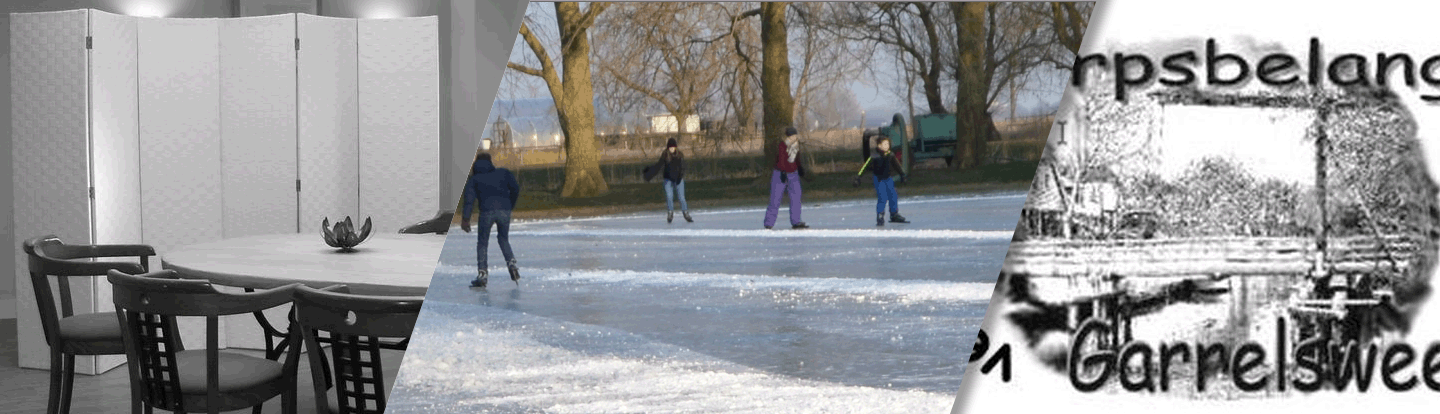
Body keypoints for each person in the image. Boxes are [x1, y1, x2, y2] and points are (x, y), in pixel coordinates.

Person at [460, 152, 521, 288]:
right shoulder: (503, 173)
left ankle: (483, 275)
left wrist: (465, 219)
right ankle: (512, 264)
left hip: (486, 212)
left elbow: (469, 201)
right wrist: (510, 205)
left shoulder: (474, 179)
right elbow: (515, 188)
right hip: (505, 211)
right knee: (503, 239)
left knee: (482, 243)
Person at [854, 136, 910, 226]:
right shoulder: (874, 156)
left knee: (893, 195)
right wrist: (858, 177)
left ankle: (894, 214)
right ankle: (880, 216)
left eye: (888, 144)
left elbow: (897, 166)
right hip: (879, 179)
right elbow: (864, 167)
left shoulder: (890, 154)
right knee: (882, 197)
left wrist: (902, 175)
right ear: (879, 145)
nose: (887, 146)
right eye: (885, 144)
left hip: (888, 178)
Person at [764, 126, 808, 229]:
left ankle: (796, 221)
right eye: (792, 136)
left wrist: (800, 167)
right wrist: (783, 171)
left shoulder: (796, 145)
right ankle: (769, 223)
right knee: (775, 198)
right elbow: (782, 159)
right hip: (780, 173)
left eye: (795, 136)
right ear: (788, 136)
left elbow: (796, 158)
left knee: (796, 197)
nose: (794, 138)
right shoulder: (782, 145)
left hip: (793, 173)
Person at [643, 137, 694, 223]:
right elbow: (658, 166)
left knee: (681, 198)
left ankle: (686, 213)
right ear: (668, 148)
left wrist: (680, 176)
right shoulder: (665, 155)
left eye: (673, 147)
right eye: (670, 147)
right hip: (668, 180)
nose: (672, 149)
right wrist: (649, 174)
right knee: (669, 197)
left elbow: (683, 167)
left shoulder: (680, 155)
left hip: (678, 179)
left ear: (676, 147)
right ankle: (670, 213)